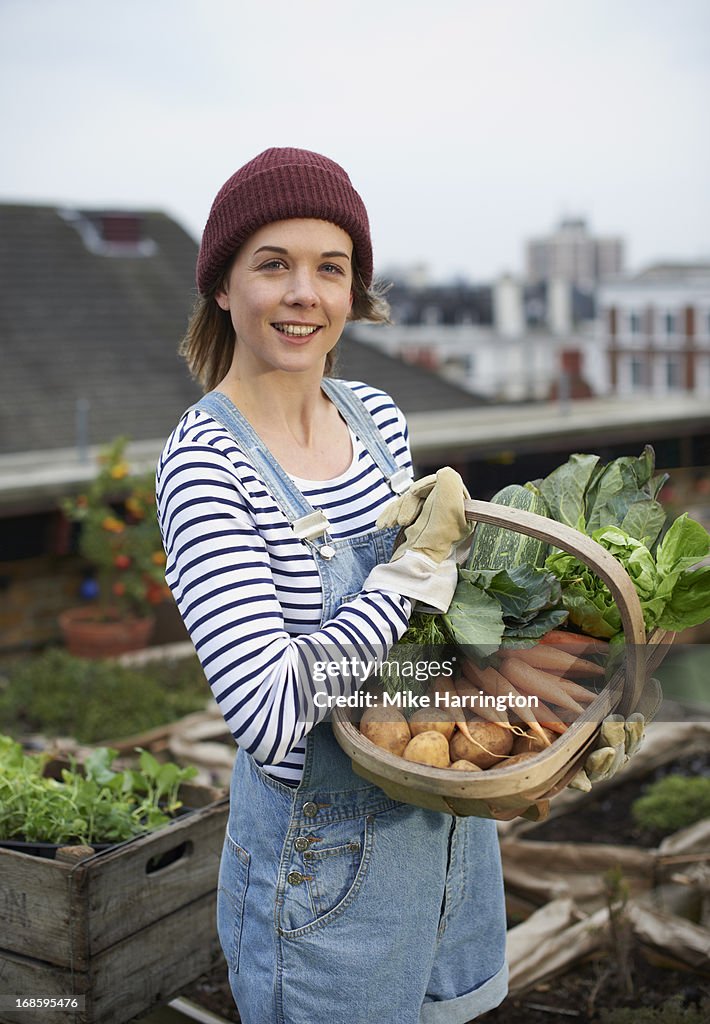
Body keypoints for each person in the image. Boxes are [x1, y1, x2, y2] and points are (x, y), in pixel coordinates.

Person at [156, 147, 508, 1024]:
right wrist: (414, 572)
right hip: (324, 874)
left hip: (448, 836)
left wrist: (510, 716)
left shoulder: (376, 417)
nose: (303, 293)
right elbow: (271, 708)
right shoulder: (206, 465)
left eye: (331, 268)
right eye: (273, 264)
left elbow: (423, 646)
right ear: (224, 288)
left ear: (356, 293)